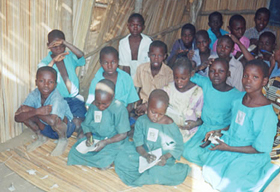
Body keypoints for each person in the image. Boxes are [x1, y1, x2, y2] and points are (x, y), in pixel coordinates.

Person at [202, 59, 279, 192]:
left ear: (264, 81)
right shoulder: (239, 99)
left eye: (255, 77)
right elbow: (237, 124)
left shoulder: (267, 115)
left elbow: (261, 149)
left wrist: (229, 148)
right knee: (208, 171)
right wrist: (219, 131)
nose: (248, 80)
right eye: (246, 76)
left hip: (250, 153)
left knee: (229, 185)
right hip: (232, 143)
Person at [114, 89, 190, 186]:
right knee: (122, 159)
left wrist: (165, 157)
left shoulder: (169, 124)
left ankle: (154, 171)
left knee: (159, 172)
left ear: (166, 111)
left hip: (163, 157)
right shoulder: (141, 121)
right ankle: (149, 171)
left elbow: (177, 146)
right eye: (153, 112)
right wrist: (146, 155)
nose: (156, 117)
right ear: (147, 105)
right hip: (143, 153)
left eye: (161, 114)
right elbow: (138, 145)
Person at [182, 58, 243, 166]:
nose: (216, 74)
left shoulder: (237, 95)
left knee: (210, 157)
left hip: (222, 132)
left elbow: (236, 123)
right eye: (212, 70)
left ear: (228, 73)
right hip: (204, 129)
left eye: (221, 71)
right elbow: (188, 75)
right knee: (187, 152)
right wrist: (199, 67)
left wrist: (220, 131)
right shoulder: (206, 83)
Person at [67, 79, 130, 169]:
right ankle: (101, 158)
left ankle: (106, 159)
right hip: (97, 138)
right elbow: (86, 124)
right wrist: (89, 137)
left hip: (113, 140)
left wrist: (105, 142)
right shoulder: (93, 105)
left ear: (113, 97)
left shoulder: (119, 109)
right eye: (98, 102)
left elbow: (123, 134)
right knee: (74, 152)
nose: (100, 106)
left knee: (105, 158)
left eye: (105, 104)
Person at [14, 67, 75, 156]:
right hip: (46, 127)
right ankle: (41, 137)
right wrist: (36, 111)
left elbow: (52, 121)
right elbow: (17, 118)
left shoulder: (56, 98)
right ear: (36, 82)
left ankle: (63, 140)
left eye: (50, 82)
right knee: (25, 115)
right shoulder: (34, 94)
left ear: (55, 84)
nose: (46, 85)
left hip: (65, 129)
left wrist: (32, 110)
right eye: (42, 81)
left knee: (56, 119)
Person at [38, 29, 87, 133]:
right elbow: (43, 74)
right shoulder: (46, 62)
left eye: (61, 45)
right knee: (55, 122)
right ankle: (66, 122)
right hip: (57, 100)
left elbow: (81, 55)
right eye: (55, 46)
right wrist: (54, 61)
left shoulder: (69, 55)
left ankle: (70, 122)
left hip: (74, 98)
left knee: (78, 125)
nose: (59, 49)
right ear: (48, 46)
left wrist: (65, 43)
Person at [86, 46, 139, 112]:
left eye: (113, 62)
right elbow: (91, 105)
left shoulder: (126, 78)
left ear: (118, 61)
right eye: (105, 63)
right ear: (100, 62)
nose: (110, 66)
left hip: (122, 114)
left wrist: (123, 115)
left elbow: (131, 102)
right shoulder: (96, 81)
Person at [163, 57, 203, 143]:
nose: (179, 81)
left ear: (191, 74)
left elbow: (201, 119)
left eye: (183, 78)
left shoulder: (197, 92)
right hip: (168, 128)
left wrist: (194, 124)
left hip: (188, 132)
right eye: (176, 77)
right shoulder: (168, 89)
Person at [134, 40, 173, 116]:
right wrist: (138, 105)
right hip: (141, 105)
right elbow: (137, 90)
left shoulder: (169, 73)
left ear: (164, 56)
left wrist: (147, 105)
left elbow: (167, 97)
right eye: (153, 55)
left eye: (160, 55)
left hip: (158, 108)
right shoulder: (141, 69)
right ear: (148, 55)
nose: (156, 58)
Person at [119, 13, 152, 79]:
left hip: (145, 76)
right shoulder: (123, 43)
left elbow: (148, 66)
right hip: (128, 76)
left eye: (138, 25)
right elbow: (126, 67)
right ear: (128, 26)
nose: (135, 28)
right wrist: (128, 85)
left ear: (143, 27)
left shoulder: (148, 42)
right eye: (132, 25)